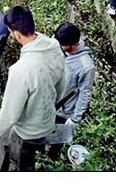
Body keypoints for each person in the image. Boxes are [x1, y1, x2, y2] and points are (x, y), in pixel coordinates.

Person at [0, 6, 65, 172]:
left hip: (28, 131)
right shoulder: (53, 46)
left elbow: (10, 114)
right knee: (5, 140)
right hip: (46, 119)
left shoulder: (21, 70)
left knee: (21, 162)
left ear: (15, 33)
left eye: (10, 32)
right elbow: (61, 85)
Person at [47, 22, 96, 160]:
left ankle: (52, 157)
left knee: (59, 136)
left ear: (73, 44)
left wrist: (75, 118)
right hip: (50, 99)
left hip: (64, 109)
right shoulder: (59, 43)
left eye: (61, 45)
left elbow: (85, 93)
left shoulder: (86, 66)